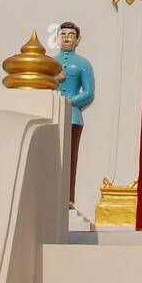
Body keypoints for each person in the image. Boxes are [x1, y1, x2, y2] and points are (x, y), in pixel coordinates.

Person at [53, 21, 95, 206]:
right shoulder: (51, 63)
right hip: (52, 112)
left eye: (71, 35)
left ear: (77, 40)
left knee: (69, 157)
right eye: (63, 34)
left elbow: (88, 92)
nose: (66, 38)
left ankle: (68, 198)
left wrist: (70, 102)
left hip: (72, 115)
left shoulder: (82, 64)